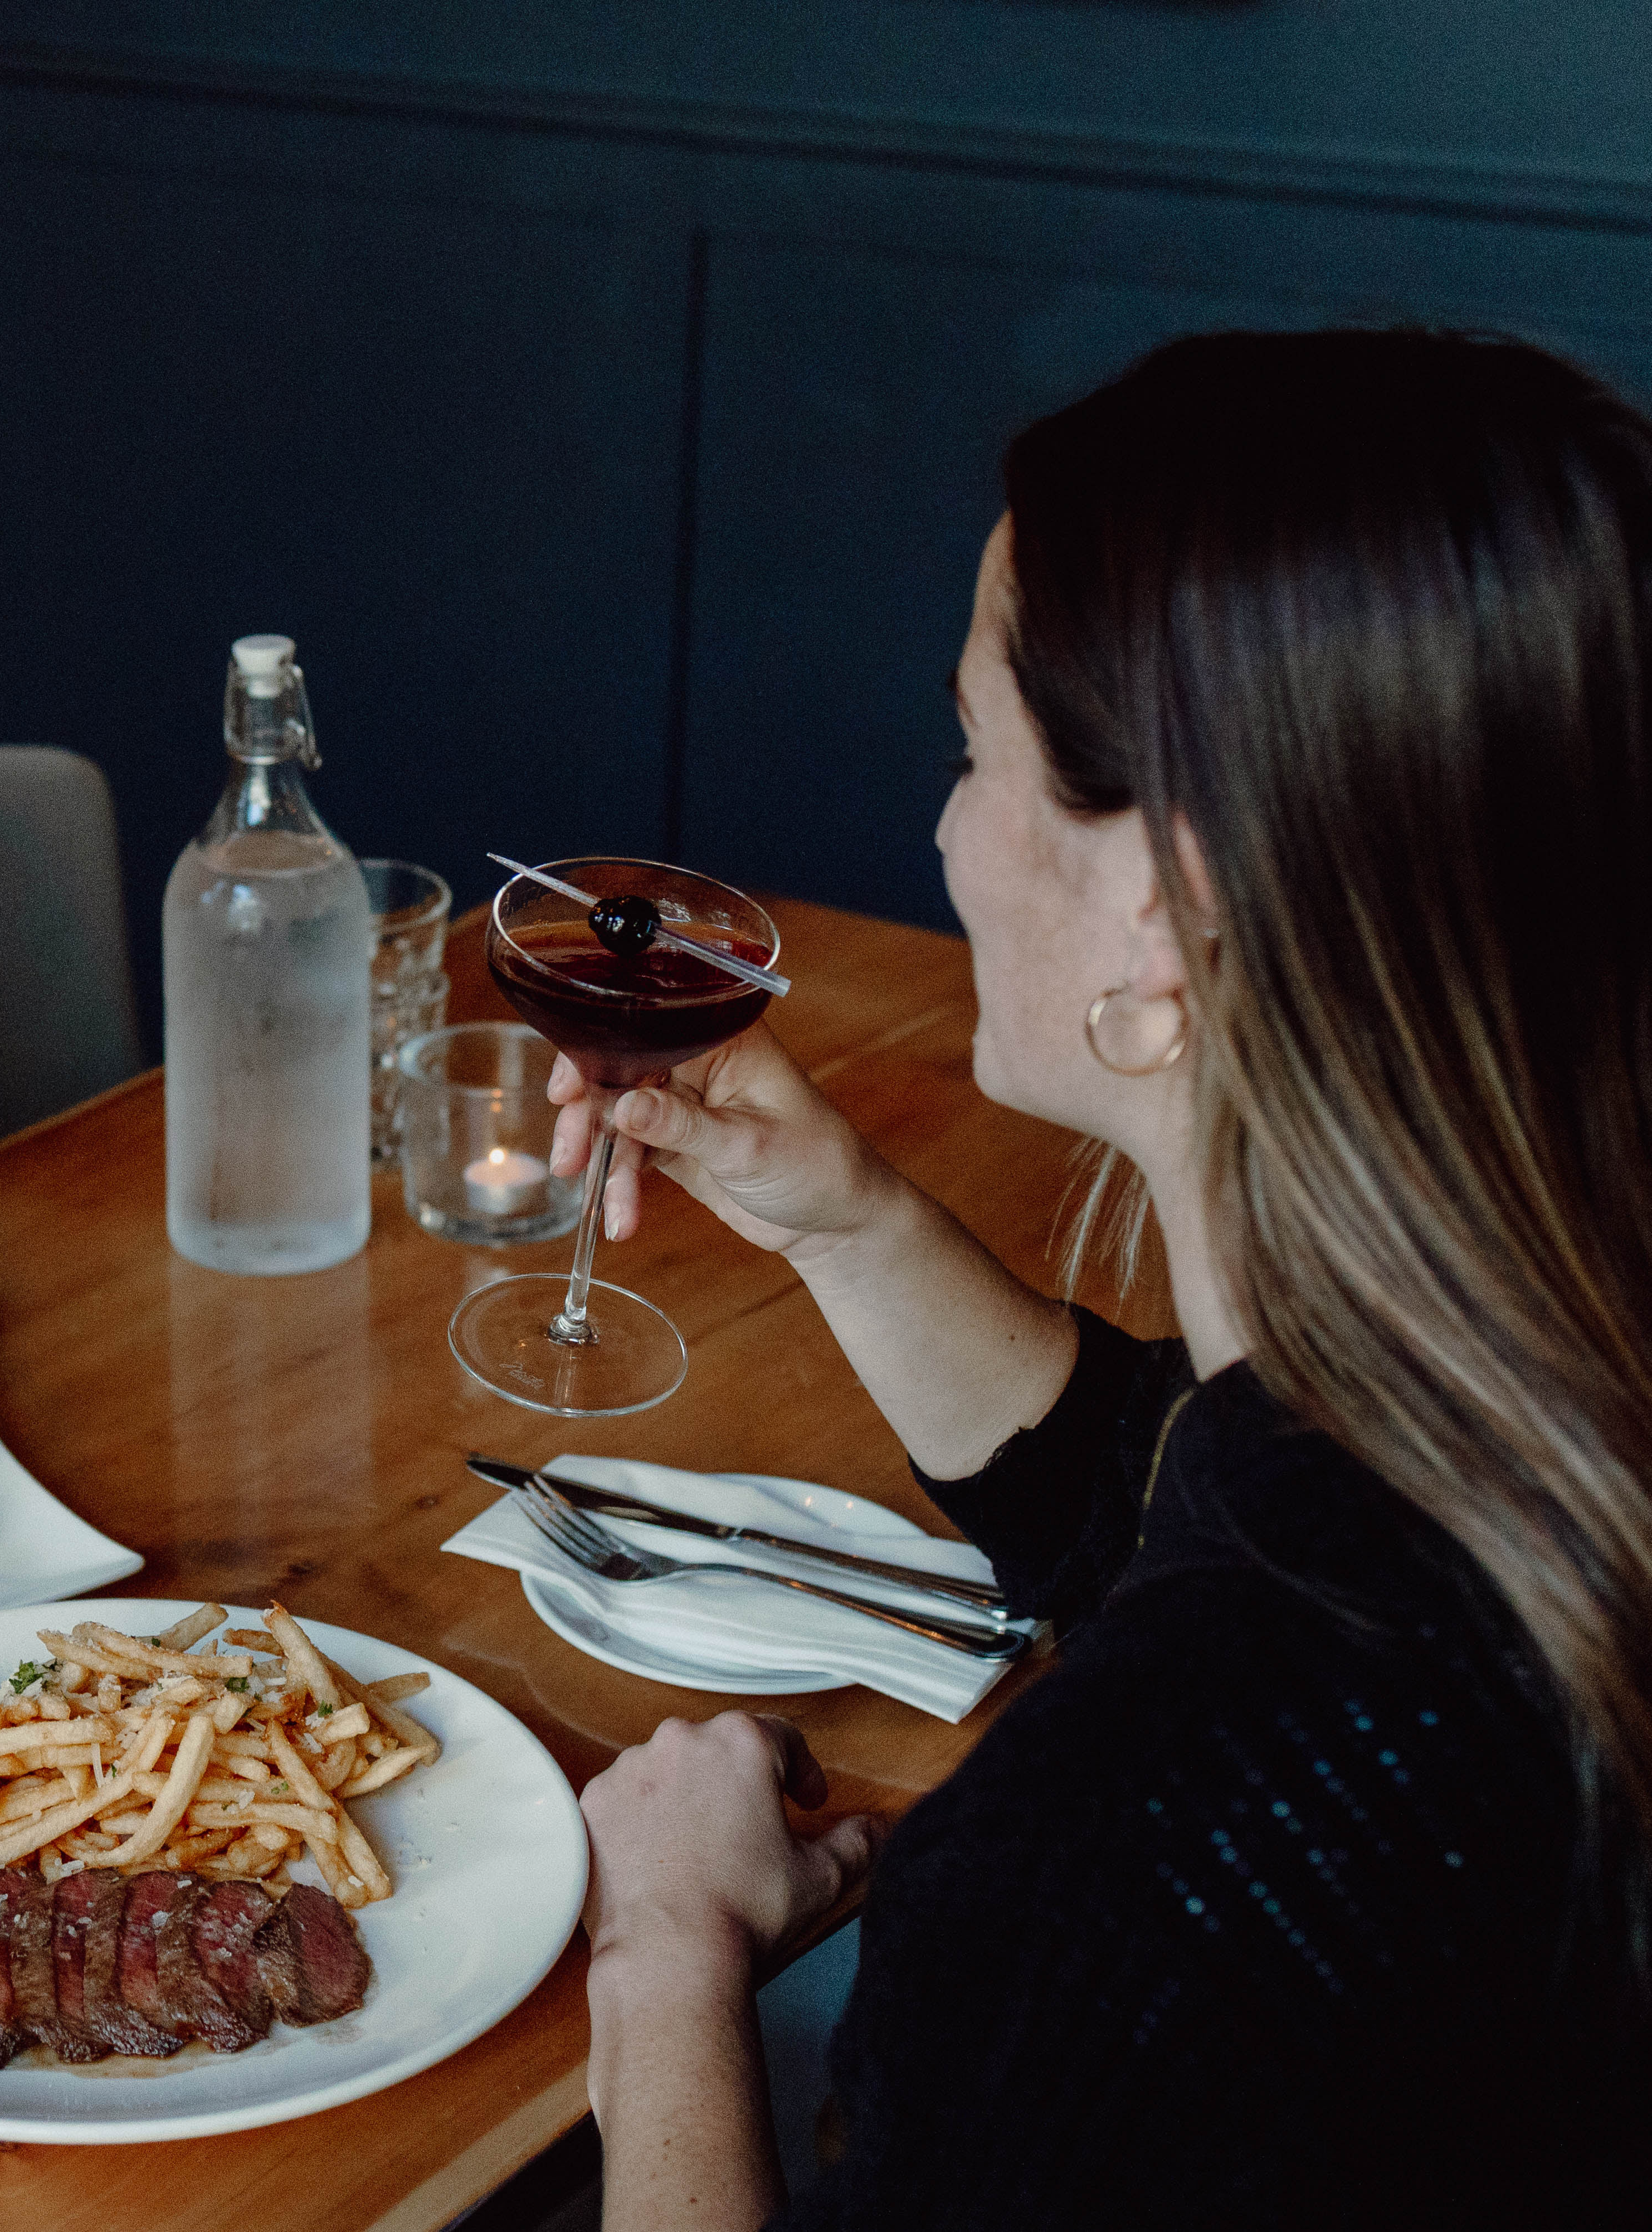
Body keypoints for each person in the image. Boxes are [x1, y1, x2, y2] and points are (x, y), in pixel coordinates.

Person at [556, 329, 1652, 2229]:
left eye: (974, 753)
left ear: (1168, 897)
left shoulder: (1098, 1886)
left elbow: (1212, 1683)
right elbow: (1188, 1498)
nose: (944, 829)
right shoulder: (1519, 1412)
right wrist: (848, 1222)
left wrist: (667, 1954)